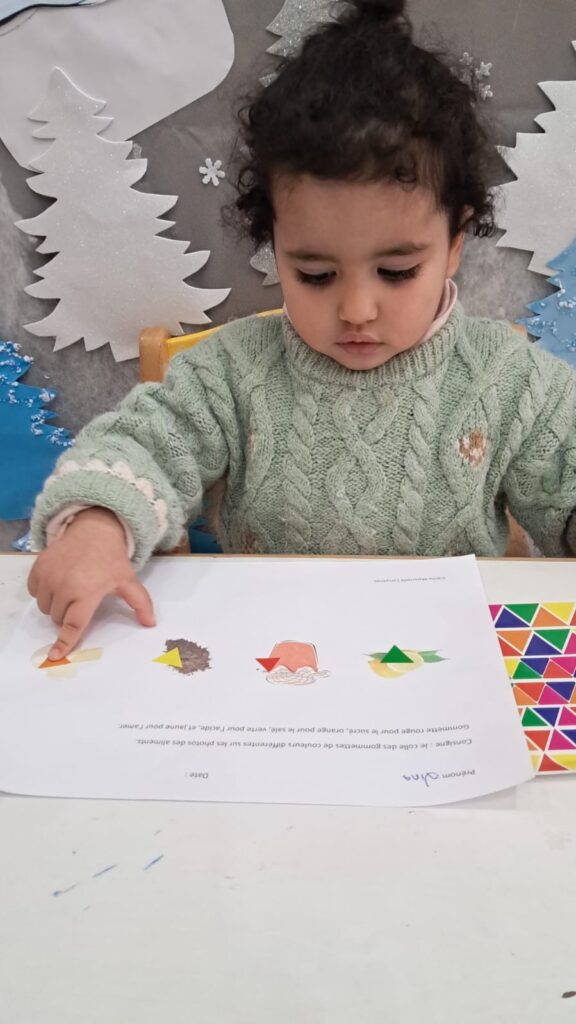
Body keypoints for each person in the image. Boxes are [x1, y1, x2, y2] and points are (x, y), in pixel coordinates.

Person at [28, 0, 576, 660]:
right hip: (273, 661)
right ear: (276, 247)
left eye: (397, 271)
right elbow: (143, 445)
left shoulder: (508, 381)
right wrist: (98, 523)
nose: (357, 309)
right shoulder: (231, 373)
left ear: (455, 242)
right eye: (315, 274)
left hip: (447, 668)